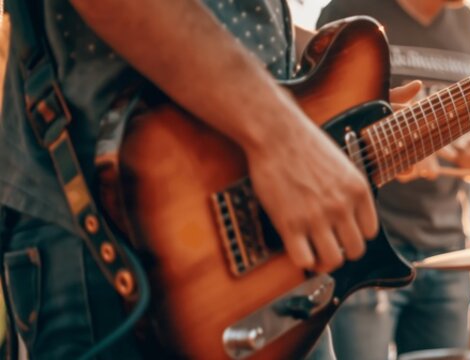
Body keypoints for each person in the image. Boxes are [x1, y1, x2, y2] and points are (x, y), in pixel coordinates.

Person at [0, 1, 420, 358]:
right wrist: (282, 135)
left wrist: (346, 98)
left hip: (268, 262)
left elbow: (241, 21)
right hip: (114, 230)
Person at [312, 0, 470, 358]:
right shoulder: (348, 10)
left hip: (448, 249)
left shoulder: (468, 23)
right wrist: (393, 148)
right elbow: (314, 119)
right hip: (365, 249)